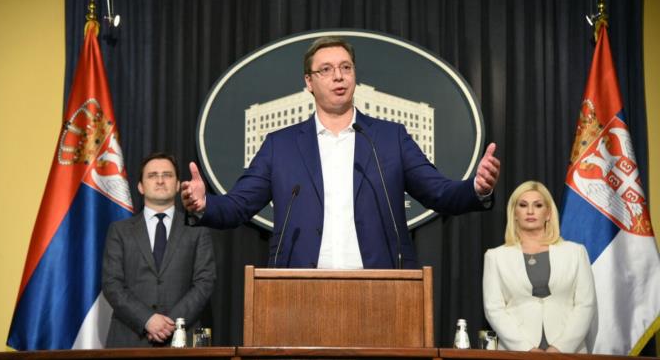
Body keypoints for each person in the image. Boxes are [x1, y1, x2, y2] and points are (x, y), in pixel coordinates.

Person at [182, 36, 500, 269]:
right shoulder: (281, 145)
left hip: (382, 284)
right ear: (309, 82)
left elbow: (439, 193)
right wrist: (204, 204)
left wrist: (476, 188)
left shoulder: (389, 138)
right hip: (300, 286)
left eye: (346, 67)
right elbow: (238, 205)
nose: (339, 75)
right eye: (326, 69)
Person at [102, 152, 216, 347]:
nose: (160, 181)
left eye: (167, 175)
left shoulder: (197, 230)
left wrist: (171, 323)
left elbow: (205, 282)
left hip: (181, 339)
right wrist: (147, 319)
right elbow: (111, 284)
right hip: (129, 339)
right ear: (140, 186)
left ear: (178, 184)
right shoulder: (119, 231)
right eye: (152, 175)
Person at [482, 180, 596, 353]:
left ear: (548, 213)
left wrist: (560, 348)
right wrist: (526, 349)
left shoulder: (576, 252)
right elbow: (494, 310)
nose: (530, 211)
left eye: (538, 205)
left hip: (568, 352)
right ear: (514, 213)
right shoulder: (495, 257)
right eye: (523, 205)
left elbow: (586, 305)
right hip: (517, 353)